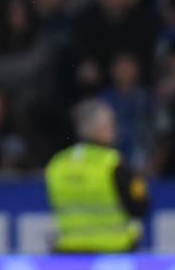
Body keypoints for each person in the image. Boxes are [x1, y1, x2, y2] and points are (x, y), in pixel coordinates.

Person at [45, 99, 149, 252]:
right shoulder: (113, 164)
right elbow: (140, 206)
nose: (115, 129)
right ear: (98, 127)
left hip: (70, 251)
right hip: (115, 251)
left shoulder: (58, 164)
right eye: (110, 123)